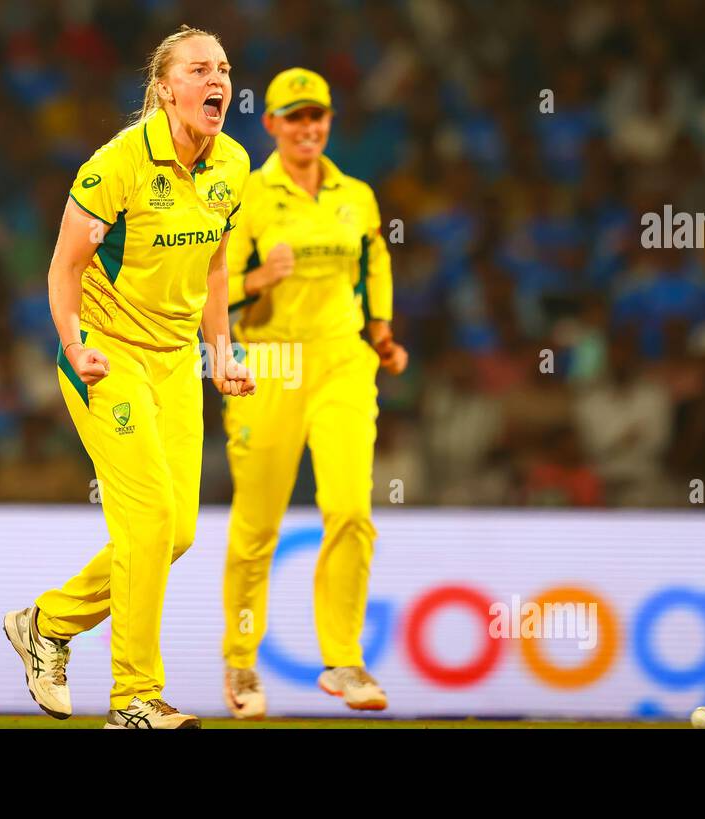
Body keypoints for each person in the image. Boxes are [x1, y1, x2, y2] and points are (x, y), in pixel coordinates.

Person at [3, 25, 254, 729]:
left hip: (176, 361)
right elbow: (64, 267)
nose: (217, 81)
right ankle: (135, 698)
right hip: (107, 357)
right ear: (166, 87)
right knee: (147, 520)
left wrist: (223, 352)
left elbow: (212, 265)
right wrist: (73, 343)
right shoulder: (116, 163)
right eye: (200, 69)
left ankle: (45, 623)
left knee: (175, 535)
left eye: (225, 69)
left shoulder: (232, 164)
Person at [220, 68, 407, 719]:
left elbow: (374, 261)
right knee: (258, 525)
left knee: (351, 507)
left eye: (317, 115)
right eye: (294, 117)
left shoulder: (356, 195)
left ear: (329, 120)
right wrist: (256, 278)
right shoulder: (244, 195)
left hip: (340, 363)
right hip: (268, 361)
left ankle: (345, 657)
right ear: (269, 123)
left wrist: (380, 330)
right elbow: (211, 287)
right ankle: (241, 661)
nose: (307, 128)